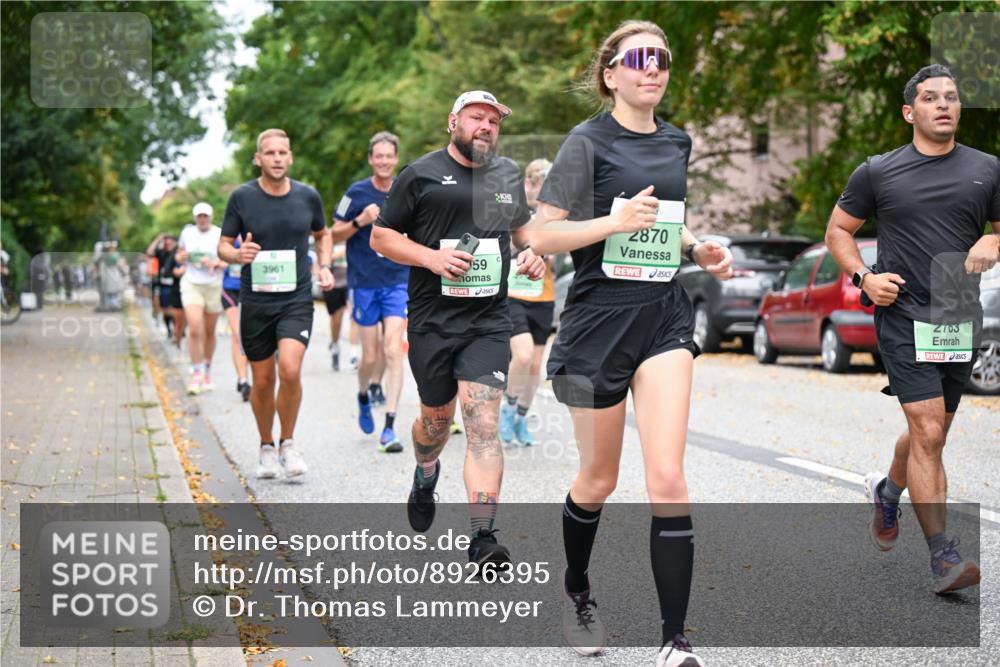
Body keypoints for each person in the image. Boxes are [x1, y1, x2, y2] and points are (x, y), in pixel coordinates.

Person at [523, 21, 734, 665]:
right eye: (638, 58)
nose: (653, 68)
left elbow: (666, 218)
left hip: (662, 316)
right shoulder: (585, 144)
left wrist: (696, 245)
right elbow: (541, 236)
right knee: (599, 477)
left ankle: (675, 639)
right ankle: (578, 588)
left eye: (662, 58)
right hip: (598, 324)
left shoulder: (677, 141)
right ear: (611, 74)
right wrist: (610, 222)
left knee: (667, 476)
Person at [826, 64, 997, 595]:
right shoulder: (878, 171)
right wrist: (864, 277)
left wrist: (994, 242)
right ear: (910, 112)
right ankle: (944, 557)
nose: (943, 105)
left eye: (951, 96)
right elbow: (838, 231)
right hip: (901, 309)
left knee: (934, 431)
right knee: (927, 431)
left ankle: (887, 490)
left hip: (955, 306)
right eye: (930, 98)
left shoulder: (988, 168)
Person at [372, 91, 545, 567]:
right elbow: (381, 236)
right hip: (432, 320)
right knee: (435, 422)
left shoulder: (507, 175)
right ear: (453, 122)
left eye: (494, 120)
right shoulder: (420, 174)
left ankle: (482, 536)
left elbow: (522, 232)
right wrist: (431, 257)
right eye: (476, 117)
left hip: (489, 321)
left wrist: (534, 253)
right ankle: (425, 471)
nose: (486, 126)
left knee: (483, 423)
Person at [218, 128, 333, 481]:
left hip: (296, 298)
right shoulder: (242, 198)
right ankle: (266, 446)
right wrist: (237, 255)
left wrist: (324, 265)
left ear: (291, 157)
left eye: (283, 152)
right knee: (263, 379)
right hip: (256, 300)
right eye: (270, 153)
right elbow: (222, 246)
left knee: (291, 370)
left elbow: (323, 233)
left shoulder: (307, 196)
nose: (278, 158)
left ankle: (288, 442)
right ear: (258, 158)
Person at [331, 131, 410, 453]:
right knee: (371, 355)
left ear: (396, 158)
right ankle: (363, 394)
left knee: (393, 350)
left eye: (389, 156)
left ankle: (389, 428)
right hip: (364, 282)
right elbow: (333, 234)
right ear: (370, 159)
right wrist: (360, 222)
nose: (384, 161)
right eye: (378, 156)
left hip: (398, 280)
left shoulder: (407, 190)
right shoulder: (355, 193)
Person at [501, 158, 555, 447]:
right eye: (536, 183)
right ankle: (508, 409)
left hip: (543, 295)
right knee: (521, 356)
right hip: (514, 293)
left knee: (535, 366)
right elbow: (509, 242)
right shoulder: (516, 209)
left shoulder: (555, 214)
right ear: (527, 184)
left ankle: (522, 417)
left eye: (546, 184)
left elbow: (556, 254)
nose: (539, 189)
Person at [177, 203, 225, 394]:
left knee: (209, 331)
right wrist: (183, 257)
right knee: (195, 328)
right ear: (195, 217)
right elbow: (179, 256)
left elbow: (228, 258)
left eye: (205, 216)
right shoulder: (187, 233)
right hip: (192, 283)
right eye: (199, 216)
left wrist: (215, 262)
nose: (202, 219)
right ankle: (196, 373)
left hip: (213, 284)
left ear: (211, 217)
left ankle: (206, 371)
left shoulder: (220, 234)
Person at [221, 235, 251, 401]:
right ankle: (243, 379)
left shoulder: (258, 231)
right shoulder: (227, 238)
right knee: (237, 334)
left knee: (251, 334)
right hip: (231, 289)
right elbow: (218, 256)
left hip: (254, 290)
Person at [324, 242, 349, 370]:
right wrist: (335, 255)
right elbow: (323, 259)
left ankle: (351, 352)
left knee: (342, 315)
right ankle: (334, 342)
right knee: (335, 318)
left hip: (348, 282)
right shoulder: (331, 237)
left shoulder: (353, 235)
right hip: (332, 283)